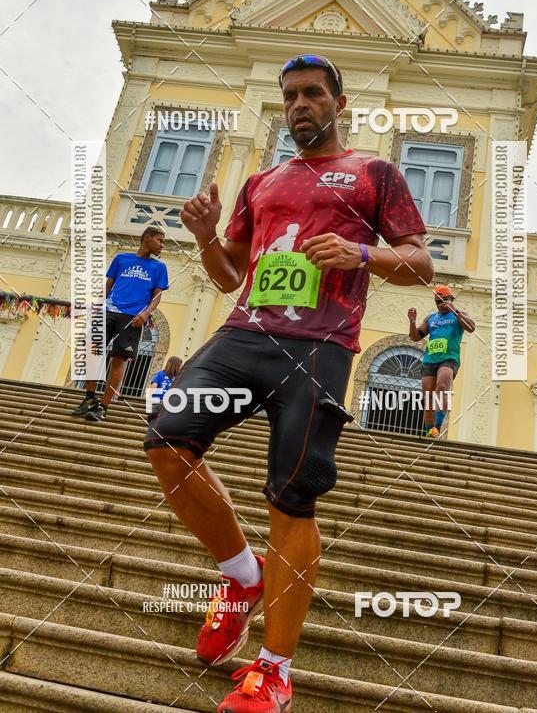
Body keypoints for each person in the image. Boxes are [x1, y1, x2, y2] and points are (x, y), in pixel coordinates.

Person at [144, 54, 433, 713]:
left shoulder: (373, 173)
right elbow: (225, 277)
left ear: (338, 102)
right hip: (245, 332)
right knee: (168, 437)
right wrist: (206, 236)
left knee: (291, 495)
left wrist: (363, 252)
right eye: (291, 96)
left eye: (312, 93)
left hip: (321, 344)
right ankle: (242, 577)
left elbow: (419, 264)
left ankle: (273, 670)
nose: (300, 104)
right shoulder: (263, 179)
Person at [72, 226, 169, 422]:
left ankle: (104, 407)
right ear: (147, 238)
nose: (162, 245)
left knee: (119, 359)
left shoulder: (159, 267)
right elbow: (108, 286)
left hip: (132, 317)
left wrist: (146, 314)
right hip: (109, 311)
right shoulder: (121, 259)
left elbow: (157, 296)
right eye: (159, 240)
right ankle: (89, 398)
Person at [408, 284, 475, 439]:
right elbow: (416, 336)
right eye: (438, 302)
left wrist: (455, 311)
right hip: (430, 358)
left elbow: (471, 328)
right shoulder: (431, 318)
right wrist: (412, 321)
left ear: (451, 299)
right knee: (428, 396)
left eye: (444, 300)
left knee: (442, 387)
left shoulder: (458, 314)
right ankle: (429, 430)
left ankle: (437, 427)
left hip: (449, 357)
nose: (441, 304)